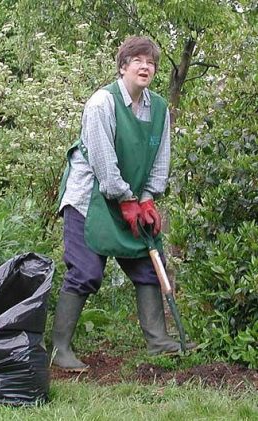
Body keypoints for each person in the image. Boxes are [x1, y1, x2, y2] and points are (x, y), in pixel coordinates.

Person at [52, 36, 195, 372]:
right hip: (91, 197)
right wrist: (125, 198)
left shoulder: (157, 107)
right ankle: (60, 348)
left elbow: (160, 159)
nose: (146, 67)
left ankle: (159, 342)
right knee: (86, 271)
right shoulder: (102, 103)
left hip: (129, 197)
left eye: (151, 62)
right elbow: (101, 159)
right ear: (123, 66)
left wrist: (146, 199)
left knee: (148, 264)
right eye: (138, 61)